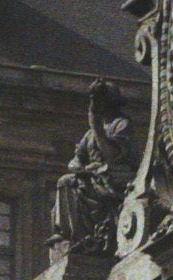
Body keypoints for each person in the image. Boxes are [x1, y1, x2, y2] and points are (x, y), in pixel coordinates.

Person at [50, 80, 134, 252]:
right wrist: (81, 168)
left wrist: (97, 128)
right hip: (92, 177)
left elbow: (112, 154)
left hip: (112, 178)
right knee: (65, 181)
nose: (96, 107)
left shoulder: (121, 125)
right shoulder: (89, 134)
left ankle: (83, 236)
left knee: (73, 183)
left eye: (100, 103)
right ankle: (68, 233)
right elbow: (75, 161)